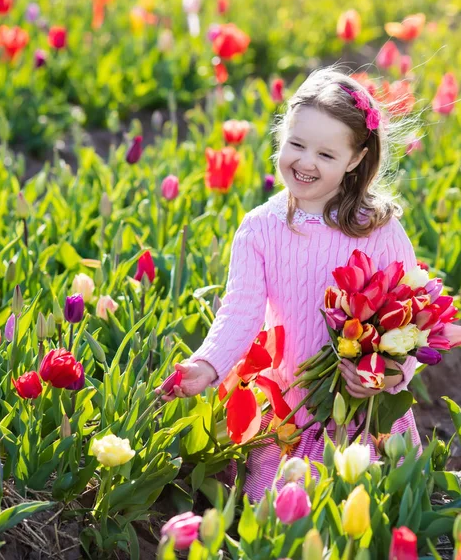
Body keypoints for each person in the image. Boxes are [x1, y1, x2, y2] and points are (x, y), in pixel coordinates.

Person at [162, 65, 421, 501]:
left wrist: (383, 377)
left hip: (361, 406)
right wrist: (207, 366)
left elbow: (410, 322)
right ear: (281, 136)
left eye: (326, 154)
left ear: (356, 159)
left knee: (363, 504)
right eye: (296, 145)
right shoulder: (260, 228)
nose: (305, 162)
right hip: (287, 410)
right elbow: (240, 313)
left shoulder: (378, 230)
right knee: (278, 509)